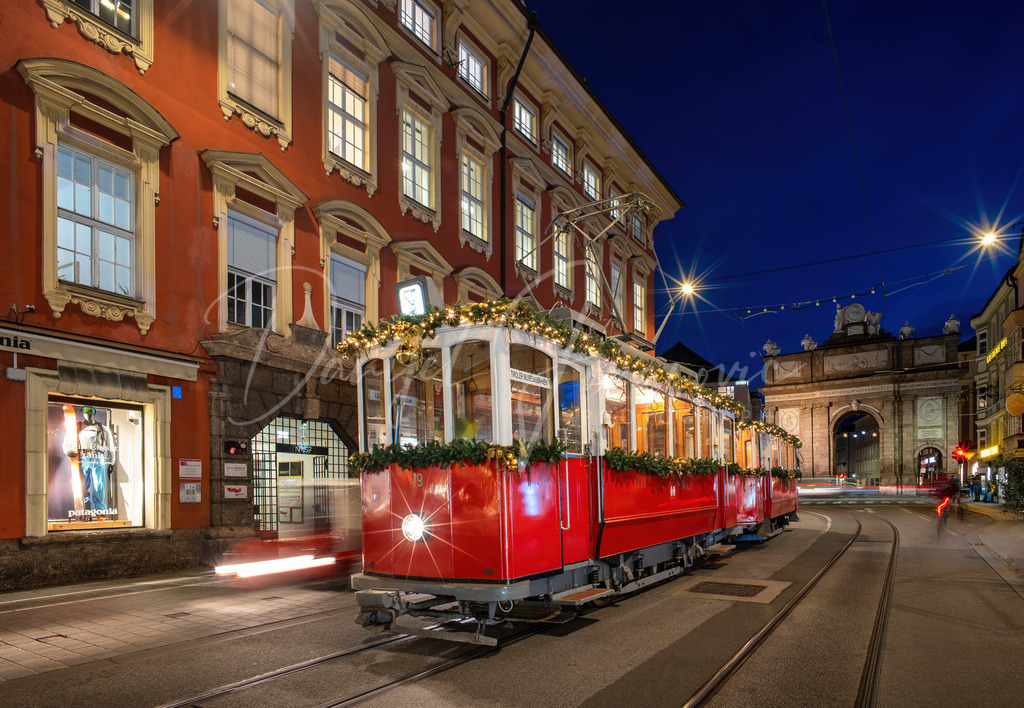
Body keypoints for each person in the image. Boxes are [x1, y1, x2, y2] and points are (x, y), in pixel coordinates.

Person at [63, 406, 116, 511]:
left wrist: (112, 461)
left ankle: (100, 510)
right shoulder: (76, 427)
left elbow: (111, 446)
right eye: (85, 410)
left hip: (98, 457)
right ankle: (85, 510)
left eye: (91, 410)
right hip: (84, 458)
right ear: (82, 412)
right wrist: (68, 451)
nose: (88, 413)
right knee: (83, 485)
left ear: (94, 412)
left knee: (99, 485)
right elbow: (66, 443)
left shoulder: (102, 428)